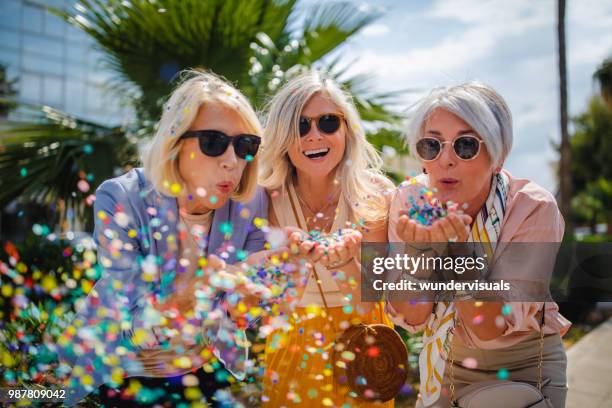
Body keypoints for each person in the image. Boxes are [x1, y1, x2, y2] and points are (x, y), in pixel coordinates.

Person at [56, 70, 270, 407]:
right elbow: (130, 323)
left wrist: (255, 291)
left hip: (208, 366)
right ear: (175, 143)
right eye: (213, 142)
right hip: (123, 372)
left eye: (245, 145)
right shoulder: (121, 198)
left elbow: (243, 314)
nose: (232, 161)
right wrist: (190, 294)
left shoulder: (252, 202)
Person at [387, 82, 570, 407]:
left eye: (466, 145)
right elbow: (412, 318)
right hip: (447, 361)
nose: (445, 159)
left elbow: (490, 328)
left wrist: (457, 251)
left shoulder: (533, 208)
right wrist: (418, 253)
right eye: (431, 145)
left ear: (498, 156)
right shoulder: (411, 200)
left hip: (523, 362)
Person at [258, 71, 396, 407]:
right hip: (290, 363)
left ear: (346, 129)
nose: (314, 136)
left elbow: (375, 300)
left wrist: (344, 264)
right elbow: (266, 303)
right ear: (282, 135)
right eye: (300, 126)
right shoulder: (264, 200)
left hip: (366, 362)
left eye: (328, 122)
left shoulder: (376, 195)